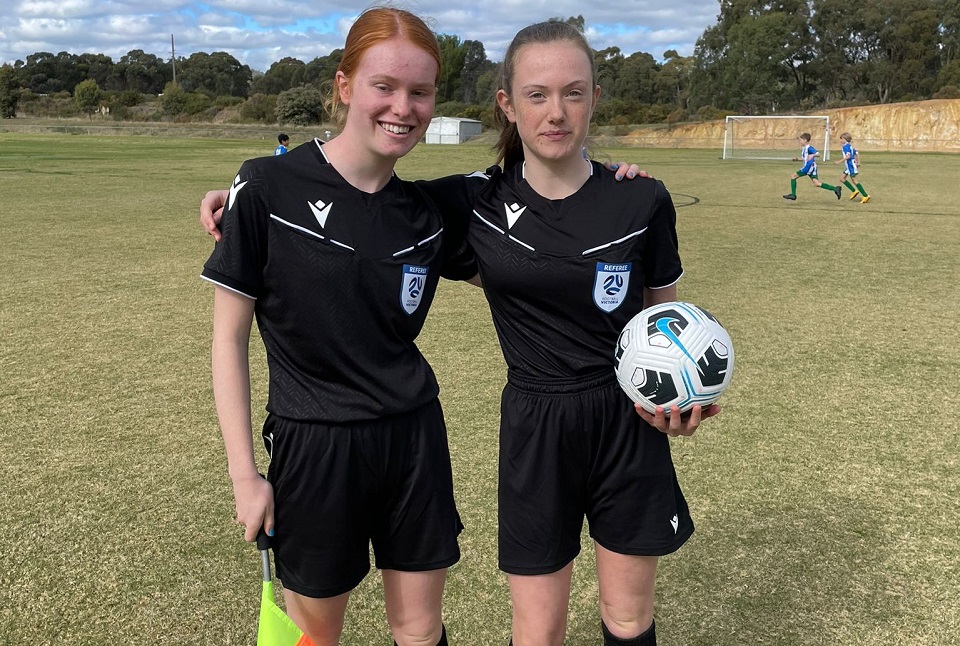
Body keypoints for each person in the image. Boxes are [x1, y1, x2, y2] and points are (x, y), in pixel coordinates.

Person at [200, 20, 706, 646]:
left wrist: (677, 399)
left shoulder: (625, 200)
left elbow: (653, 312)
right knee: (335, 633)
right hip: (375, 440)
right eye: (384, 86)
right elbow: (247, 317)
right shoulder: (293, 189)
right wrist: (246, 195)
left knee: (458, 626)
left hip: (469, 437)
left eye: (574, 92)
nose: (402, 108)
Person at [201, 8, 477, 646]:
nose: (403, 107)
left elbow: (543, 206)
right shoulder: (267, 185)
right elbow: (227, 341)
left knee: (420, 628)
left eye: (420, 91)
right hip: (315, 446)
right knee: (316, 636)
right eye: (385, 85)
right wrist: (245, 476)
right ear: (345, 85)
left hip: (414, 441)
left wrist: (617, 182)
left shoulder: (433, 211)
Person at [783, 132, 842, 201]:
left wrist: (813, 155)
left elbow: (818, 154)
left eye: (801, 140)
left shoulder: (809, 148)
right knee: (816, 183)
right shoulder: (804, 148)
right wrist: (797, 159)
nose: (800, 141)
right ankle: (835, 189)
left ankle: (793, 195)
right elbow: (805, 158)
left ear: (805, 140)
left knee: (793, 176)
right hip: (812, 167)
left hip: (808, 167)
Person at [836, 132, 870, 203]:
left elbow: (848, 156)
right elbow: (857, 153)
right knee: (842, 178)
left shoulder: (845, 146)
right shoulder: (849, 146)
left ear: (845, 139)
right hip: (849, 165)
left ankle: (865, 195)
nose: (841, 140)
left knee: (854, 180)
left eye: (841, 139)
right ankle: (854, 191)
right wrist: (858, 162)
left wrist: (839, 161)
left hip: (850, 165)